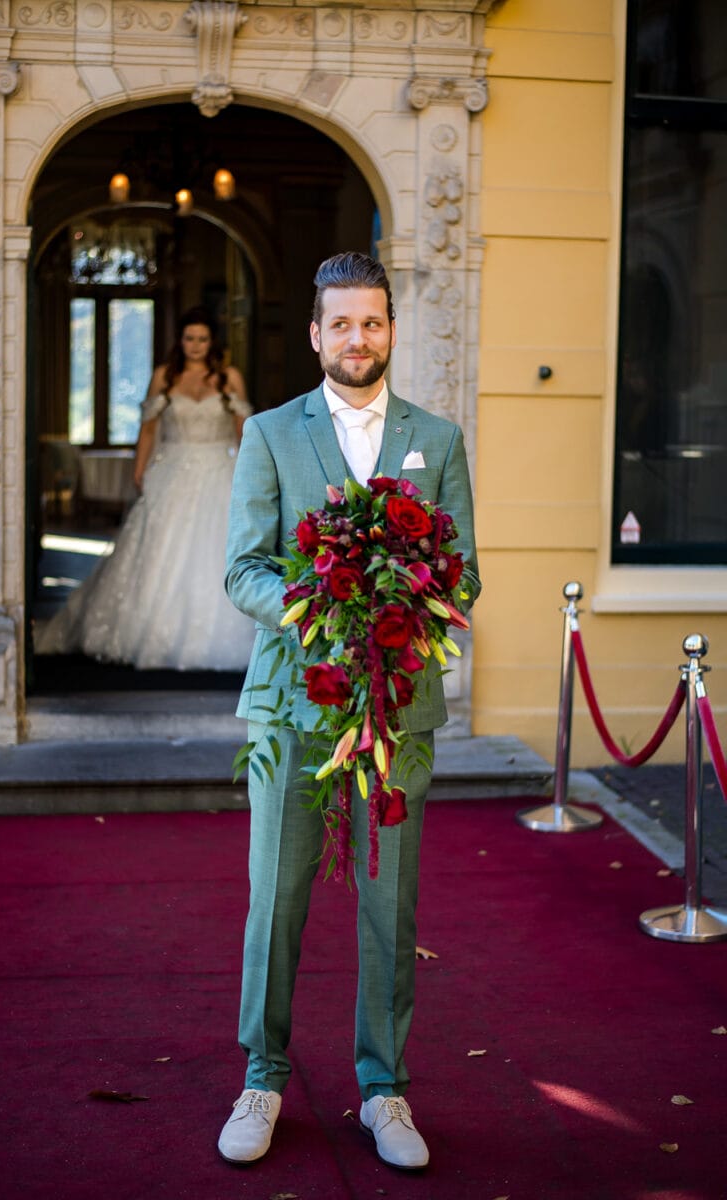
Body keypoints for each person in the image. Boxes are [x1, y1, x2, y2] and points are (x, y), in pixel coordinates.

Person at [219, 252, 481, 1170]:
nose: (357, 339)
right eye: (341, 324)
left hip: (401, 709)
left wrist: (410, 604)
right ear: (317, 333)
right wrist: (320, 612)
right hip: (295, 704)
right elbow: (242, 566)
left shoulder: (436, 439)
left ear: (392, 329)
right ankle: (262, 1075)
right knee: (276, 900)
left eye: (372, 323)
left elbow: (467, 574)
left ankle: (386, 1090)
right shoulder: (270, 434)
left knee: (389, 903)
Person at [34, 307, 256, 671]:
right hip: (172, 470)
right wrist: (140, 469)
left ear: (212, 341)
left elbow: (243, 429)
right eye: (189, 338)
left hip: (220, 470)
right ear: (180, 341)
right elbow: (149, 429)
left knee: (212, 547)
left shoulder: (229, 377)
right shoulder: (164, 377)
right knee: (159, 547)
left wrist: (249, 472)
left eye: (202, 339)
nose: (196, 346)